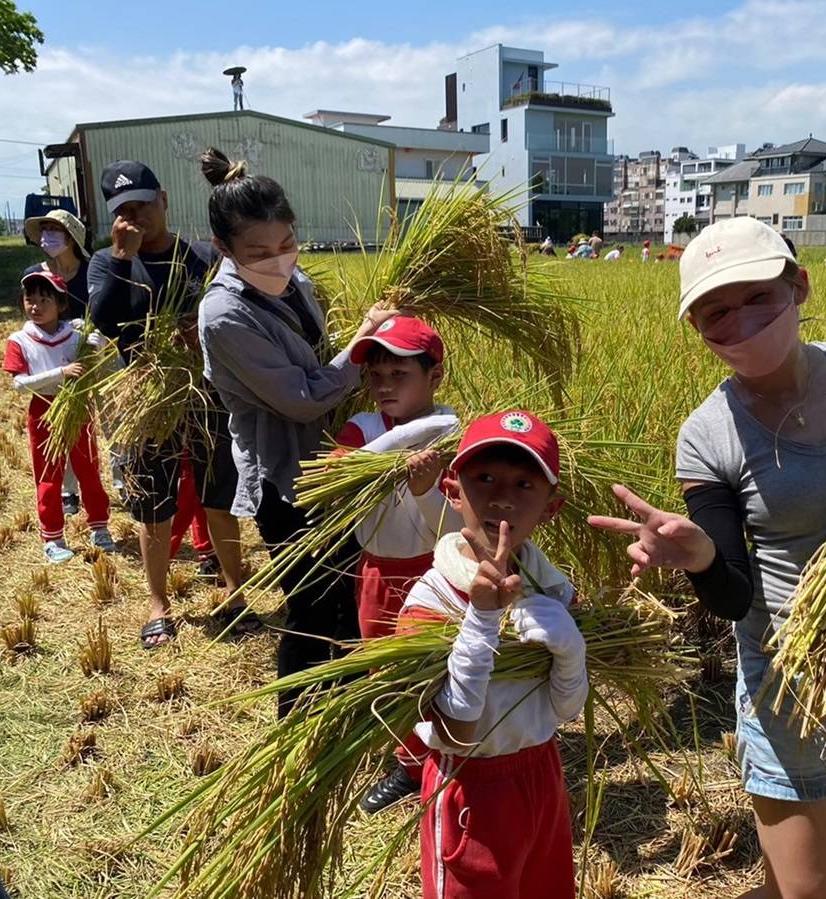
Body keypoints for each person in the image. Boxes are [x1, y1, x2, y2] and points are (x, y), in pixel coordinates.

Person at [588, 217, 826, 899]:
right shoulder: (708, 434)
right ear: (697, 328)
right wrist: (703, 557)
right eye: (716, 310)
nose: (739, 321)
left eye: (757, 297)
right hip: (789, 680)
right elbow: (734, 594)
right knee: (808, 893)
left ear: (799, 285)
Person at [195, 147, 396, 716]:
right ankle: (299, 727)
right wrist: (364, 343)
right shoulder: (225, 316)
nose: (278, 260)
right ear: (224, 250)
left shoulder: (293, 279)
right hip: (288, 478)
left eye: (286, 245)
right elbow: (303, 400)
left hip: (335, 462)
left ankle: (344, 707)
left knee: (346, 594)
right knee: (311, 604)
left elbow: (317, 358)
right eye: (258, 253)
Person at [399, 410, 586, 899]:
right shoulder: (431, 603)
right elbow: (454, 733)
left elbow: (564, 710)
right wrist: (482, 618)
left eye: (525, 484)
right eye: (483, 478)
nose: (502, 497)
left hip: (542, 775)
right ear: (452, 491)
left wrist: (570, 648)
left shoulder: (552, 590)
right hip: (471, 790)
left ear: (551, 507)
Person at [86, 159, 247, 648]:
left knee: (219, 497)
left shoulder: (201, 256)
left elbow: (234, 309)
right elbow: (106, 322)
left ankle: (235, 590)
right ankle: (158, 604)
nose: (138, 215)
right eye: (125, 209)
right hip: (148, 402)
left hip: (205, 395)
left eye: (144, 203)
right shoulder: (105, 261)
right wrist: (119, 257)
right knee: (152, 506)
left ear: (165, 199)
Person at [332, 316, 460, 813]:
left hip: (437, 572)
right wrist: (400, 444)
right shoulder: (361, 429)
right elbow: (335, 478)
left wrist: (427, 488)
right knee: (388, 673)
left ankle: (448, 753)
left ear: (435, 377)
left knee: (438, 669)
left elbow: (449, 525)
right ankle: (409, 763)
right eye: (376, 375)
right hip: (379, 572)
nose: (384, 386)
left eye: (399, 375)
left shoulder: (451, 434)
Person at [3, 271, 117, 562]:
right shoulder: (19, 339)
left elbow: (97, 372)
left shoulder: (76, 336)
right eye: (30, 299)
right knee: (49, 476)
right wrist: (61, 373)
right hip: (43, 412)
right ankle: (53, 536)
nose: (36, 306)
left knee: (89, 470)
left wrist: (100, 347)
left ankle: (100, 527)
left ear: (61, 304)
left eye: (44, 299)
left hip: (78, 408)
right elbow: (18, 383)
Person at [23, 208, 95, 516]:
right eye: (44, 230)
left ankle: (120, 480)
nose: (47, 236)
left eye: (55, 230)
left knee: (103, 417)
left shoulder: (93, 270)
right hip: (55, 360)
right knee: (59, 421)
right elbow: (30, 314)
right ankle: (68, 491)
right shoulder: (36, 272)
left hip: (93, 353)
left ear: (72, 238)